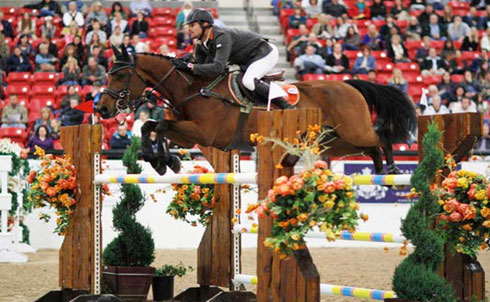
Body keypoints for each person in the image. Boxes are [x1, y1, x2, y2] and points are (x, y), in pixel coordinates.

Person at [171, 9, 293, 109]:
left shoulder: (221, 37)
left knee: (248, 81)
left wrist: (190, 66)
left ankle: (285, 105)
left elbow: (218, 67)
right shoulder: (201, 44)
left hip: (264, 53)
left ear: (205, 24)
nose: (189, 29)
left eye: (192, 25)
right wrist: (186, 64)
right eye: (188, 26)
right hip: (246, 59)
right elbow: (202, 67)